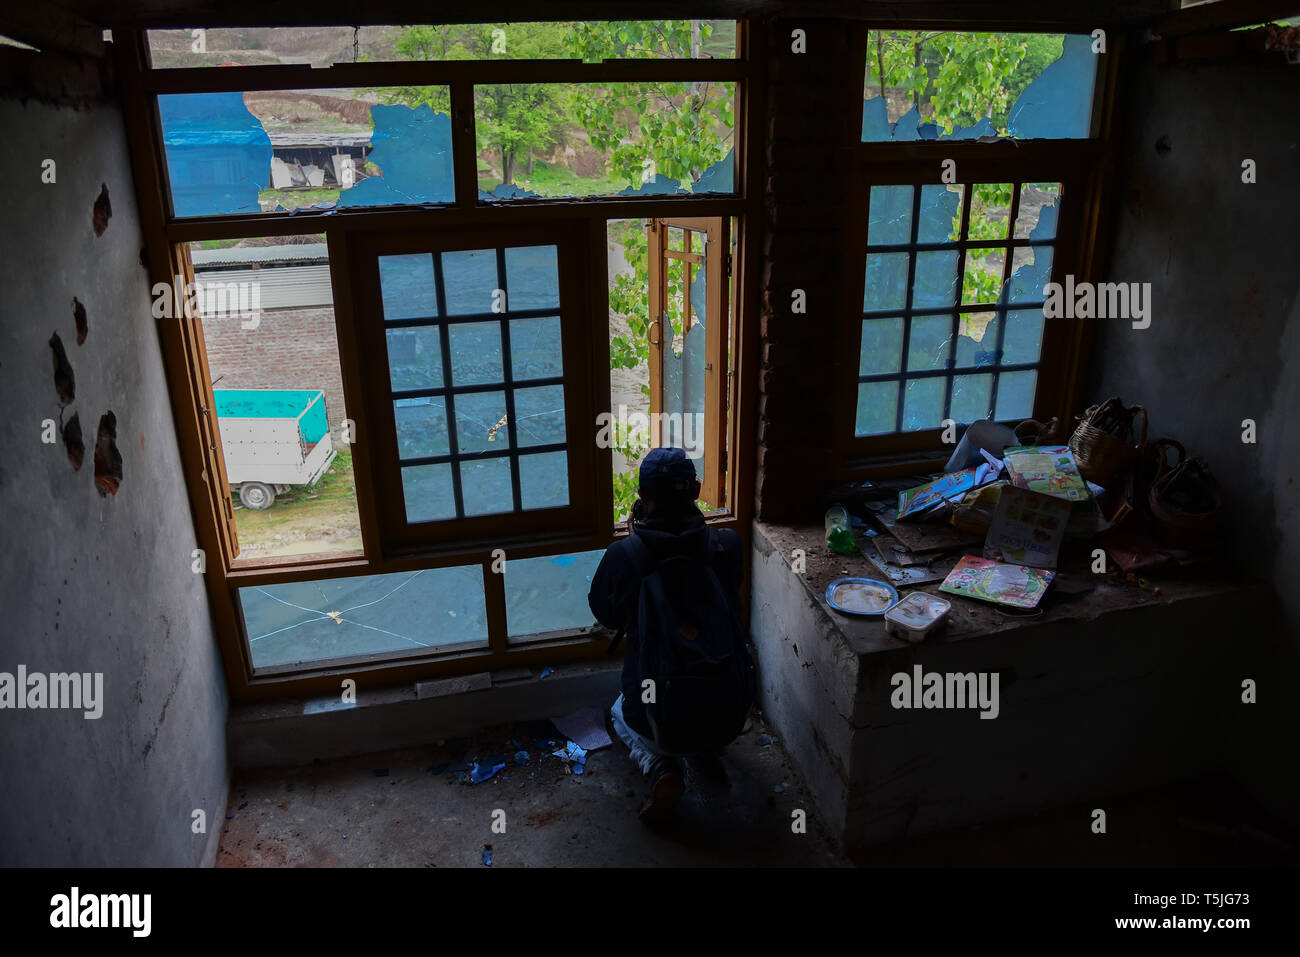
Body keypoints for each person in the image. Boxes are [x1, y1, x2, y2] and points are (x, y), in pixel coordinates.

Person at [588, 447, 750, 823]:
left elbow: (605, 614)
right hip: (730, 709)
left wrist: (634, 554)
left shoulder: (625, 555)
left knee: (618, 709)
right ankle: (709, 747)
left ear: (643, 499)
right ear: (696, 491)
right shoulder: (728, 545)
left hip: (659, 712)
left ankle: (662, 766)